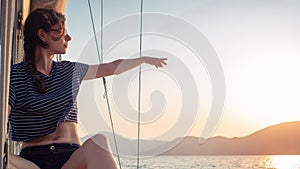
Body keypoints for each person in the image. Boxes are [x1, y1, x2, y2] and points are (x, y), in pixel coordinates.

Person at [8, 8, 167, 169]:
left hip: (71, 160)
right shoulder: (14, 75)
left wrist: (144, 59)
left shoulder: (70, 71)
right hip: (31, 163)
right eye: (61, 32)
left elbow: (112, 67)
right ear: (42, 35)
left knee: (99, 142)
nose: (68, 38)